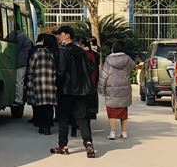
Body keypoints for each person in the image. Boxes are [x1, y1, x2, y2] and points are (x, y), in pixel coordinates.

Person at [51, 25, 96, 157]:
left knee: (64, 118)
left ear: (67, 35)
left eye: (60, 34)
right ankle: (88, 143)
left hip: (66, 90)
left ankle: (63, 146)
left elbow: (61, 72)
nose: (58, 37)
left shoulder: (63, 51)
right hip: (82, 90)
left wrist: (57, 85)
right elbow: (91, 68)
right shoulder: (81, 52)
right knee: (82, 118)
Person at [99, 41, 134, 140]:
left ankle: (112, 132)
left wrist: (101, 89)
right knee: (123, 110)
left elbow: (104, 75)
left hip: (112, 88)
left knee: (112, 111)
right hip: (124, 88)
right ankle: (124, 132)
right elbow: (133, 66)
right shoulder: (128, 59)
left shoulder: (108, 60)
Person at [26, 33, 58, 135]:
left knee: (40, 106)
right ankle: (48, 127)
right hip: (51, 84)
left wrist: (30, 80)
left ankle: (41, 126)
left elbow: (30, 68)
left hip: (38, 83)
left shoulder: (37, 54)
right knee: (49, 107)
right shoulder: (53, 55)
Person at [13, 24, 33, 108]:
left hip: (21, 62)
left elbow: (15, 49)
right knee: (19, 81)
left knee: (19, 81)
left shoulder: (20, 37)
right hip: (23, 61)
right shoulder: (23, 35)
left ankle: (19, 99)